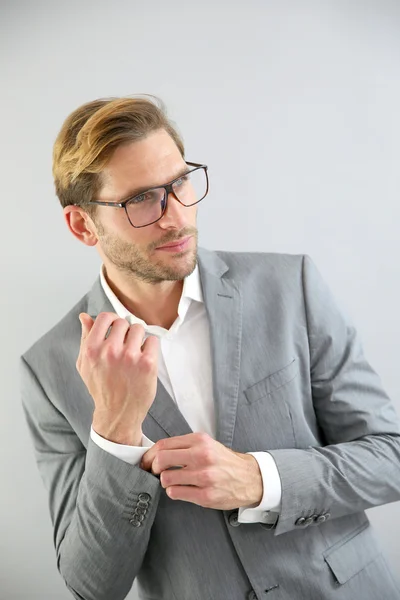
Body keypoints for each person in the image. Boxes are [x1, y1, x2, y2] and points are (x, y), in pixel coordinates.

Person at [20, 95, 400, 600]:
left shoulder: (290, 287)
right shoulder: (48, 370)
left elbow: (389, 456)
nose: (176, 216)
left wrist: (261, 480)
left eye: (179, 183)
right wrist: (114, 430)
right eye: (140, 200)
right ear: (82, 225)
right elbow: (92, 586)